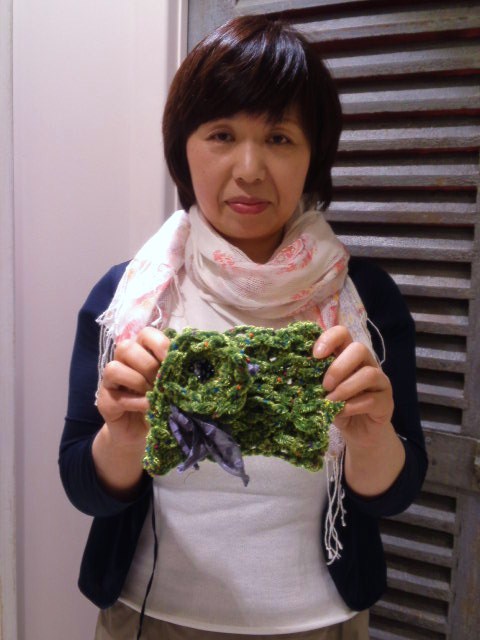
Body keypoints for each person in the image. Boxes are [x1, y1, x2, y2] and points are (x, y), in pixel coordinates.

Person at [59, 15, 427, 640]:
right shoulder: (127, 300)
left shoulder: (366, 302)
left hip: (322, 623)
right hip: (148, 621)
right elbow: (84, 488)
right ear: (184, 147)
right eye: (222, 134)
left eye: (280, 137)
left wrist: (370, 438)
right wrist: (121, 438)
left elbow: (394, 494)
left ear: (313, 155)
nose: (250, 168)